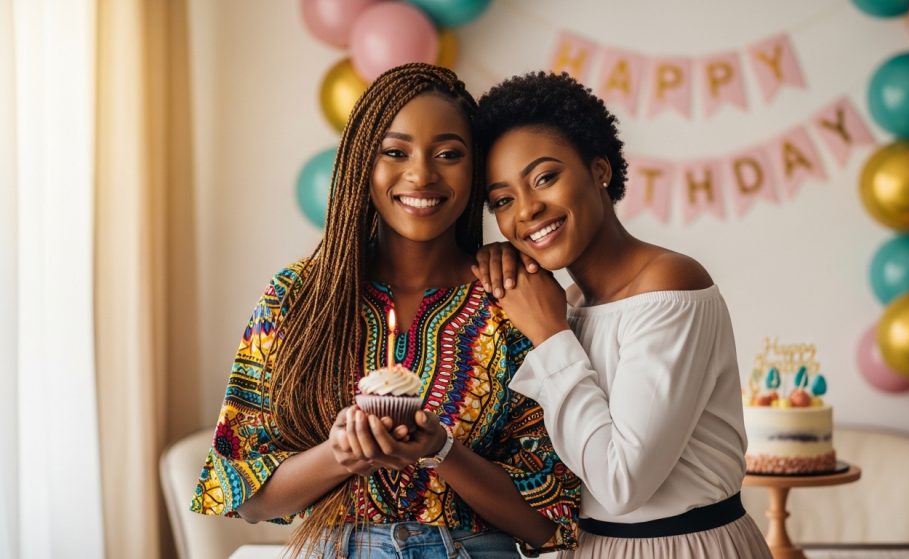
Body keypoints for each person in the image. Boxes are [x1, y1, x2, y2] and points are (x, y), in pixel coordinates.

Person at [191, 64, 579, 559]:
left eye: (449, 154)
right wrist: (342, 454)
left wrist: (441, 450)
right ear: (362, 163)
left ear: (476, 169)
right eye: (395, 152)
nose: (421, 175)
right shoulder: (296, 298)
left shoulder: (512, 298)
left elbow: (550, 522)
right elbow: (243, 496)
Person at [471, 71, 772, 558]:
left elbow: (620, 483)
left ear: (599, 170)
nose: (526, 211)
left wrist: (549, 336)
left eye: (545, 178)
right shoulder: (565, 304)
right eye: (503, 200)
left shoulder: (670, 285)